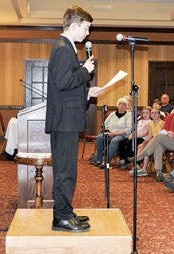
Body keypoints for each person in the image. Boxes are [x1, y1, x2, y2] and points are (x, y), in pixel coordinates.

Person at [45, 5, 103, 232]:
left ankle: (66, 212)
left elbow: (65, 88)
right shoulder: (62, 49)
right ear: (75, 25)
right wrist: (85, 71)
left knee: (68, 169)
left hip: (66, 120)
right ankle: (61, 217)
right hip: (64, 122)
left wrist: (87, 92)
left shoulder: (66, 48)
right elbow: (62, 82)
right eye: (86, 28)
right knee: (65, 171)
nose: (88, 34)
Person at [134, 97, 174, 181]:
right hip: (168, 140)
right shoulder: (170, 117)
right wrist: (168, 133)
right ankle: (159, 172)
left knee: (158, 137)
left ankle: (139, 157)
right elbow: (164, 130)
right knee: (158, 145)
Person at [91, 97, 132, 168]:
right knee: (100, 137)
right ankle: (99, 160)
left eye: (124, 104)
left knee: (114, 141)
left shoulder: (129, 115)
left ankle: (106, 162)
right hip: (110, 133)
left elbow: (128, 129)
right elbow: (104, 124)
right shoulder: (112, 114)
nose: (122, 106)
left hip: (122, 135)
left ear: (126, 106)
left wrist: (115, 134)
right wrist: (108, 131)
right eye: (120, 104)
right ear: (117, 105)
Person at [119, 106, 151, 172]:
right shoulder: (140, 121)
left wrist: (135, 136)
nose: (145, 115)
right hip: (136, 136)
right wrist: (132, 134)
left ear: (150, 114)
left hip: (142, 138)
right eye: (144, 113)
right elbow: (136, 130)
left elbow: (145, 133)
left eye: (147, 113)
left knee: (131, 143)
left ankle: (133, 161)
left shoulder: (149, 122)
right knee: (122, 142)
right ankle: (125, 160)